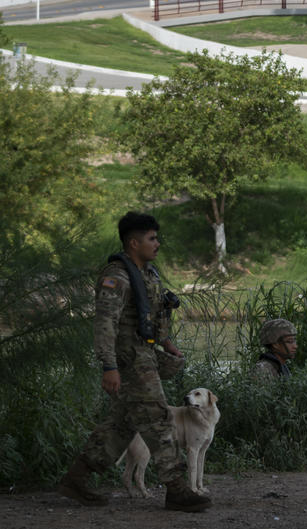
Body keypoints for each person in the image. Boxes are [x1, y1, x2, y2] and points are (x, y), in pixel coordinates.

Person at [57, 212, 212, 512]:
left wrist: (166, 343)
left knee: (123, 423)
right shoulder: (117, 276)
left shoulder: (148, 275)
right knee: (159, 417)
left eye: (157, 237)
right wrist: (109, 366)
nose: (157, 243)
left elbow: (152, 314)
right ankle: (177, 488)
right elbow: (105, 324)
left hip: (145, 354)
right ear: (133, 242)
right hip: (129, 359)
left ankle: (76, 478)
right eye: (151, 238)